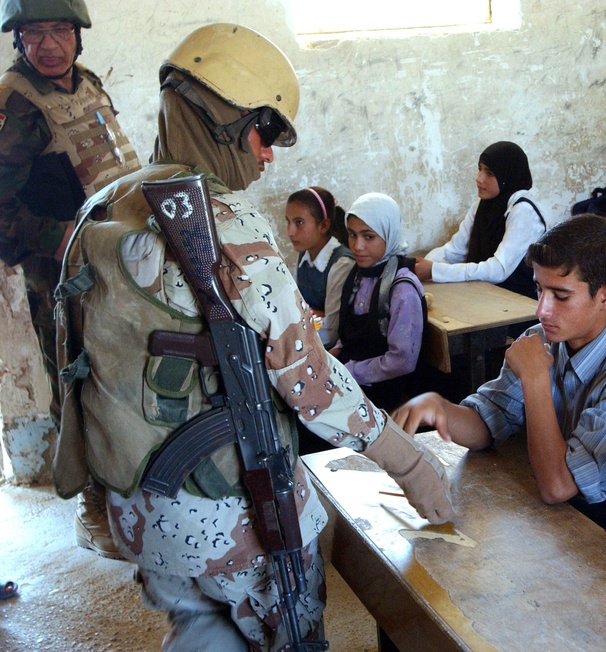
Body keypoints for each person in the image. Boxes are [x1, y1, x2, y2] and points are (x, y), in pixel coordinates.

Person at [54, 24, 453, 650]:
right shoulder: (227, 228)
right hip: (225, 508)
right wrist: (406, 461)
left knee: (197, 624)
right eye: (263, 133)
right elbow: (311, 382)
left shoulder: (102, 207)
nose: (268, 155)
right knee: (286, 633)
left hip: (136, 503)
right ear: (221, 120)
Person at [395, 215, 606, 560]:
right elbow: (489, 422)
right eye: (539, 289)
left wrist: (535, 379)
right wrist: (440, 408)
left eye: (560, 296)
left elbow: (557, 487)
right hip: (558, 497)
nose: (541, 310)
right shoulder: (544, 340)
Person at [0, 0, 141, 559]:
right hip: (61, 278)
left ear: (77, 36)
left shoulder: (86, 84)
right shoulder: (15, 103)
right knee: (76, 381)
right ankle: (92, 505)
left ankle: (127, 495)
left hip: (114, 262)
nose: (48, 44)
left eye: (59, 30)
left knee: (121, 377)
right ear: (19, 40)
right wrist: (56, 236)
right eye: (34, 33)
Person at [330, 192, 425, 412]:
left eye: (368, 236)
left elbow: (402, 361)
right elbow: (351, 333)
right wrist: (333, 354)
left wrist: (349, 371)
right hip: (355, 378)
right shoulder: (360, 274)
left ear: (388, 234)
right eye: (352, 235)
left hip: (385, 390)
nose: (357, 246)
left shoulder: (401, 288)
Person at [414, 141, 546, 297]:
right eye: (480, 169)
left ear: (507, 176)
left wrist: (434, 270)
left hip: (518, 303)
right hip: (484, 294)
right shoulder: (482, 205)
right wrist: (420, 267)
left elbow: (498, 270)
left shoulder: (524, 211)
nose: (479, 178)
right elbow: (455, 250)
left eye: (489, 173)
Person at [284, 185, 351, 347]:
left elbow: (331, 332)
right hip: (311, 337)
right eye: (288, 221)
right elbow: (301, 307)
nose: (290, 232)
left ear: (323, 226)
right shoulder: (305, 254)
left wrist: (291, 340)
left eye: (299, 222)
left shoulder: (341, 264)